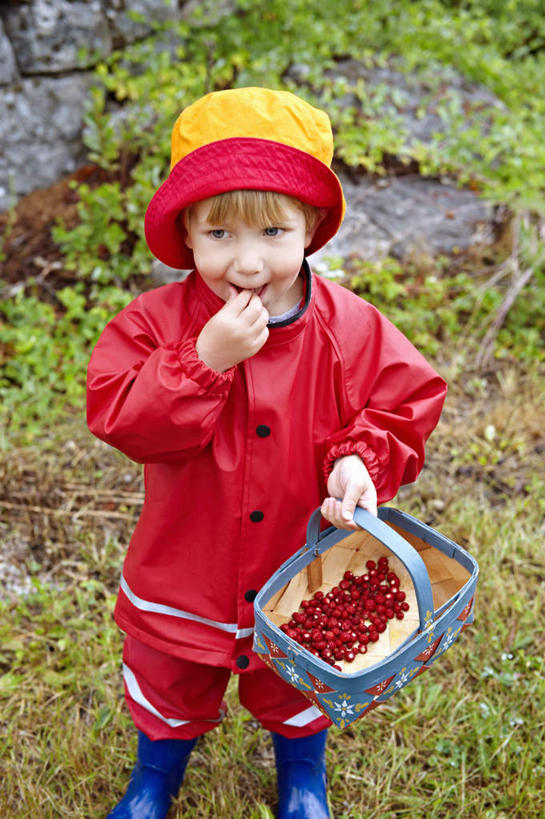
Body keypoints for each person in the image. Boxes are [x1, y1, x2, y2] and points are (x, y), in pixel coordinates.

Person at [87, 87, 447, 819]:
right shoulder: (155, 324)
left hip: (297, 560)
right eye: (219, 234)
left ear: (311, 228)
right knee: (171, 672)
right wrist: (200, 360)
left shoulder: (347, 326)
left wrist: (359, 459)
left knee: (298, 680)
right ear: (185, 231)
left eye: (272, 233)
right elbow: (123, 417)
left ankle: (302, 778)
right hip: (187, 560)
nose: (247, 263)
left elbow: (402, 402)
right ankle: (154, 776)